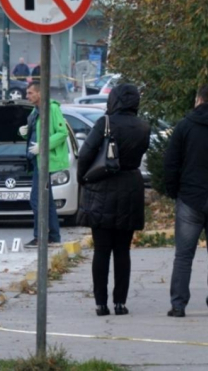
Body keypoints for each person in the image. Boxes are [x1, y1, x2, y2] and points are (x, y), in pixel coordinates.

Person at [77, 84, 150, 316]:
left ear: (114, 100)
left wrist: (83, 179)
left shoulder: (104, 123)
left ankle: (101, 303)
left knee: (101, 250)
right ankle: (120, 303)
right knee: (122, 250)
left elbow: (85, 154)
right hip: (131, 187)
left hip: (102, 190)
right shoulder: (143, 126)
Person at [164, 85, 208, 317]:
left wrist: (173, 191)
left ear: (199, 99)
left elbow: (171, 163)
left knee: (183, 255)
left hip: (190, 198)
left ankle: (178, 304)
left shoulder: (185, 126)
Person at [18, 82, 69, 248]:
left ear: (40, 93)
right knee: (47, 200)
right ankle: (54, 236)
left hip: (45, 161)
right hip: (36, 160)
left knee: (37, 199)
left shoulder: (52, 109)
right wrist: (23, 131)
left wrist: (43, 146)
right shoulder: (35, 111)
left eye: (30, 93)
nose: (27, 96)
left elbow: (62, 133)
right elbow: (34, 133)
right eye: (27, 93)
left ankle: (41, 236)